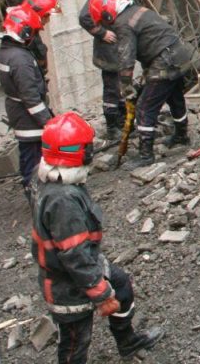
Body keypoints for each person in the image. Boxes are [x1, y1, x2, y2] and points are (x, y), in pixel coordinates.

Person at [32, 112, 164, 363]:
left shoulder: (58, 183)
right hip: (67, 284)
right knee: (75, 342)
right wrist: (101, 294)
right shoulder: (64, 201)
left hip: (81, 266)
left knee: (122, 284)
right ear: (78, 152)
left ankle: (127, 342)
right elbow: (74, 256)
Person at [87, 0, 194, 169]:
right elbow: (151, 43)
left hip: (164, 62)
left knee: (144, 108)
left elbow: (126, 59)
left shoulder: (122, 25)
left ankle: (146, 155)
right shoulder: (137, 10)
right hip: (179, 55)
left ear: (107, 16)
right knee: (175, 98)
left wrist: (126, 87)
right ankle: (182, 135)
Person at [0, 6, 53, 205]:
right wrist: (49, 122)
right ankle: (36, 198)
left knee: (30, 155)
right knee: (33, 158)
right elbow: (31, 97)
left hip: (18, 111)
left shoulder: (5, 51)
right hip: (28, 117)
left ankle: (37, 192)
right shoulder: (20, 60)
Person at [78, 0, 134, 142]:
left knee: (118, 85)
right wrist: (102, 33)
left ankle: (121, 121)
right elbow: (85, 16)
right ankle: (113, 127)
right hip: (108, 49)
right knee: (112, 87)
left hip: (115, 47)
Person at [20, 0, 62, 77]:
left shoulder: (30, 31)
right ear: (37, 13)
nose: (48, 20)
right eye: (46, 16)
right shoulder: (26, 37)